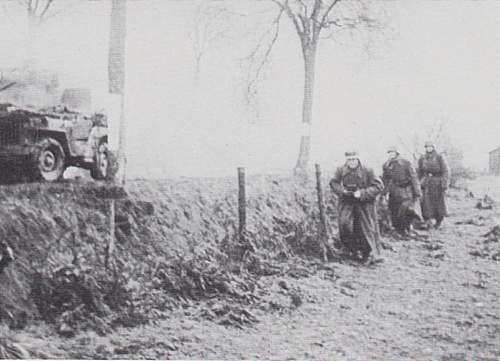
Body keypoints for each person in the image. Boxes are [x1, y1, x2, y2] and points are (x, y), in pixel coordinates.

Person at [330, 150, 384, 264]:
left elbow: (378, 186)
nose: (352, 162)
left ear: (358, 159)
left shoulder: (367, 170)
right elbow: (334, 183)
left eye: (354, 159)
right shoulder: (341, 170)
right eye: (349, 160)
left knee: (365, 228)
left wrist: (363, 193)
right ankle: (352, 250)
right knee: (344, 225)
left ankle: (367, 253)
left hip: (364, 203)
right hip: (347, 202)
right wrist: (342, 191)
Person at [382, 146, 422, 236]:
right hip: (394, 190)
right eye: (389, 152)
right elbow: (385, 179)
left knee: (406, 210)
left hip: (406, 190)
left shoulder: (405, 163)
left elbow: (413, 177)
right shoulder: (386, 165)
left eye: (393, 152)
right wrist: (384, 192)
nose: (391, 154)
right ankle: (398, 230)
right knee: (394, 210)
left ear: (397, 153)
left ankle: (407, 228)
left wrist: (417, 191)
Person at [417, 141, 449, 229]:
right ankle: (428, 220)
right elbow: (419, 171)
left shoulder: (439, 157)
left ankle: (439, 221)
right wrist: (420, 181)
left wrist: (444, 183)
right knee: (426, 203)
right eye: (427, 147)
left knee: (438, 202)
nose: (428, 148)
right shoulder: (422, 158)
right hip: (427, 182)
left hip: (437, 183)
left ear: (433, 147)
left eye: (430, 147)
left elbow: (446, 171)